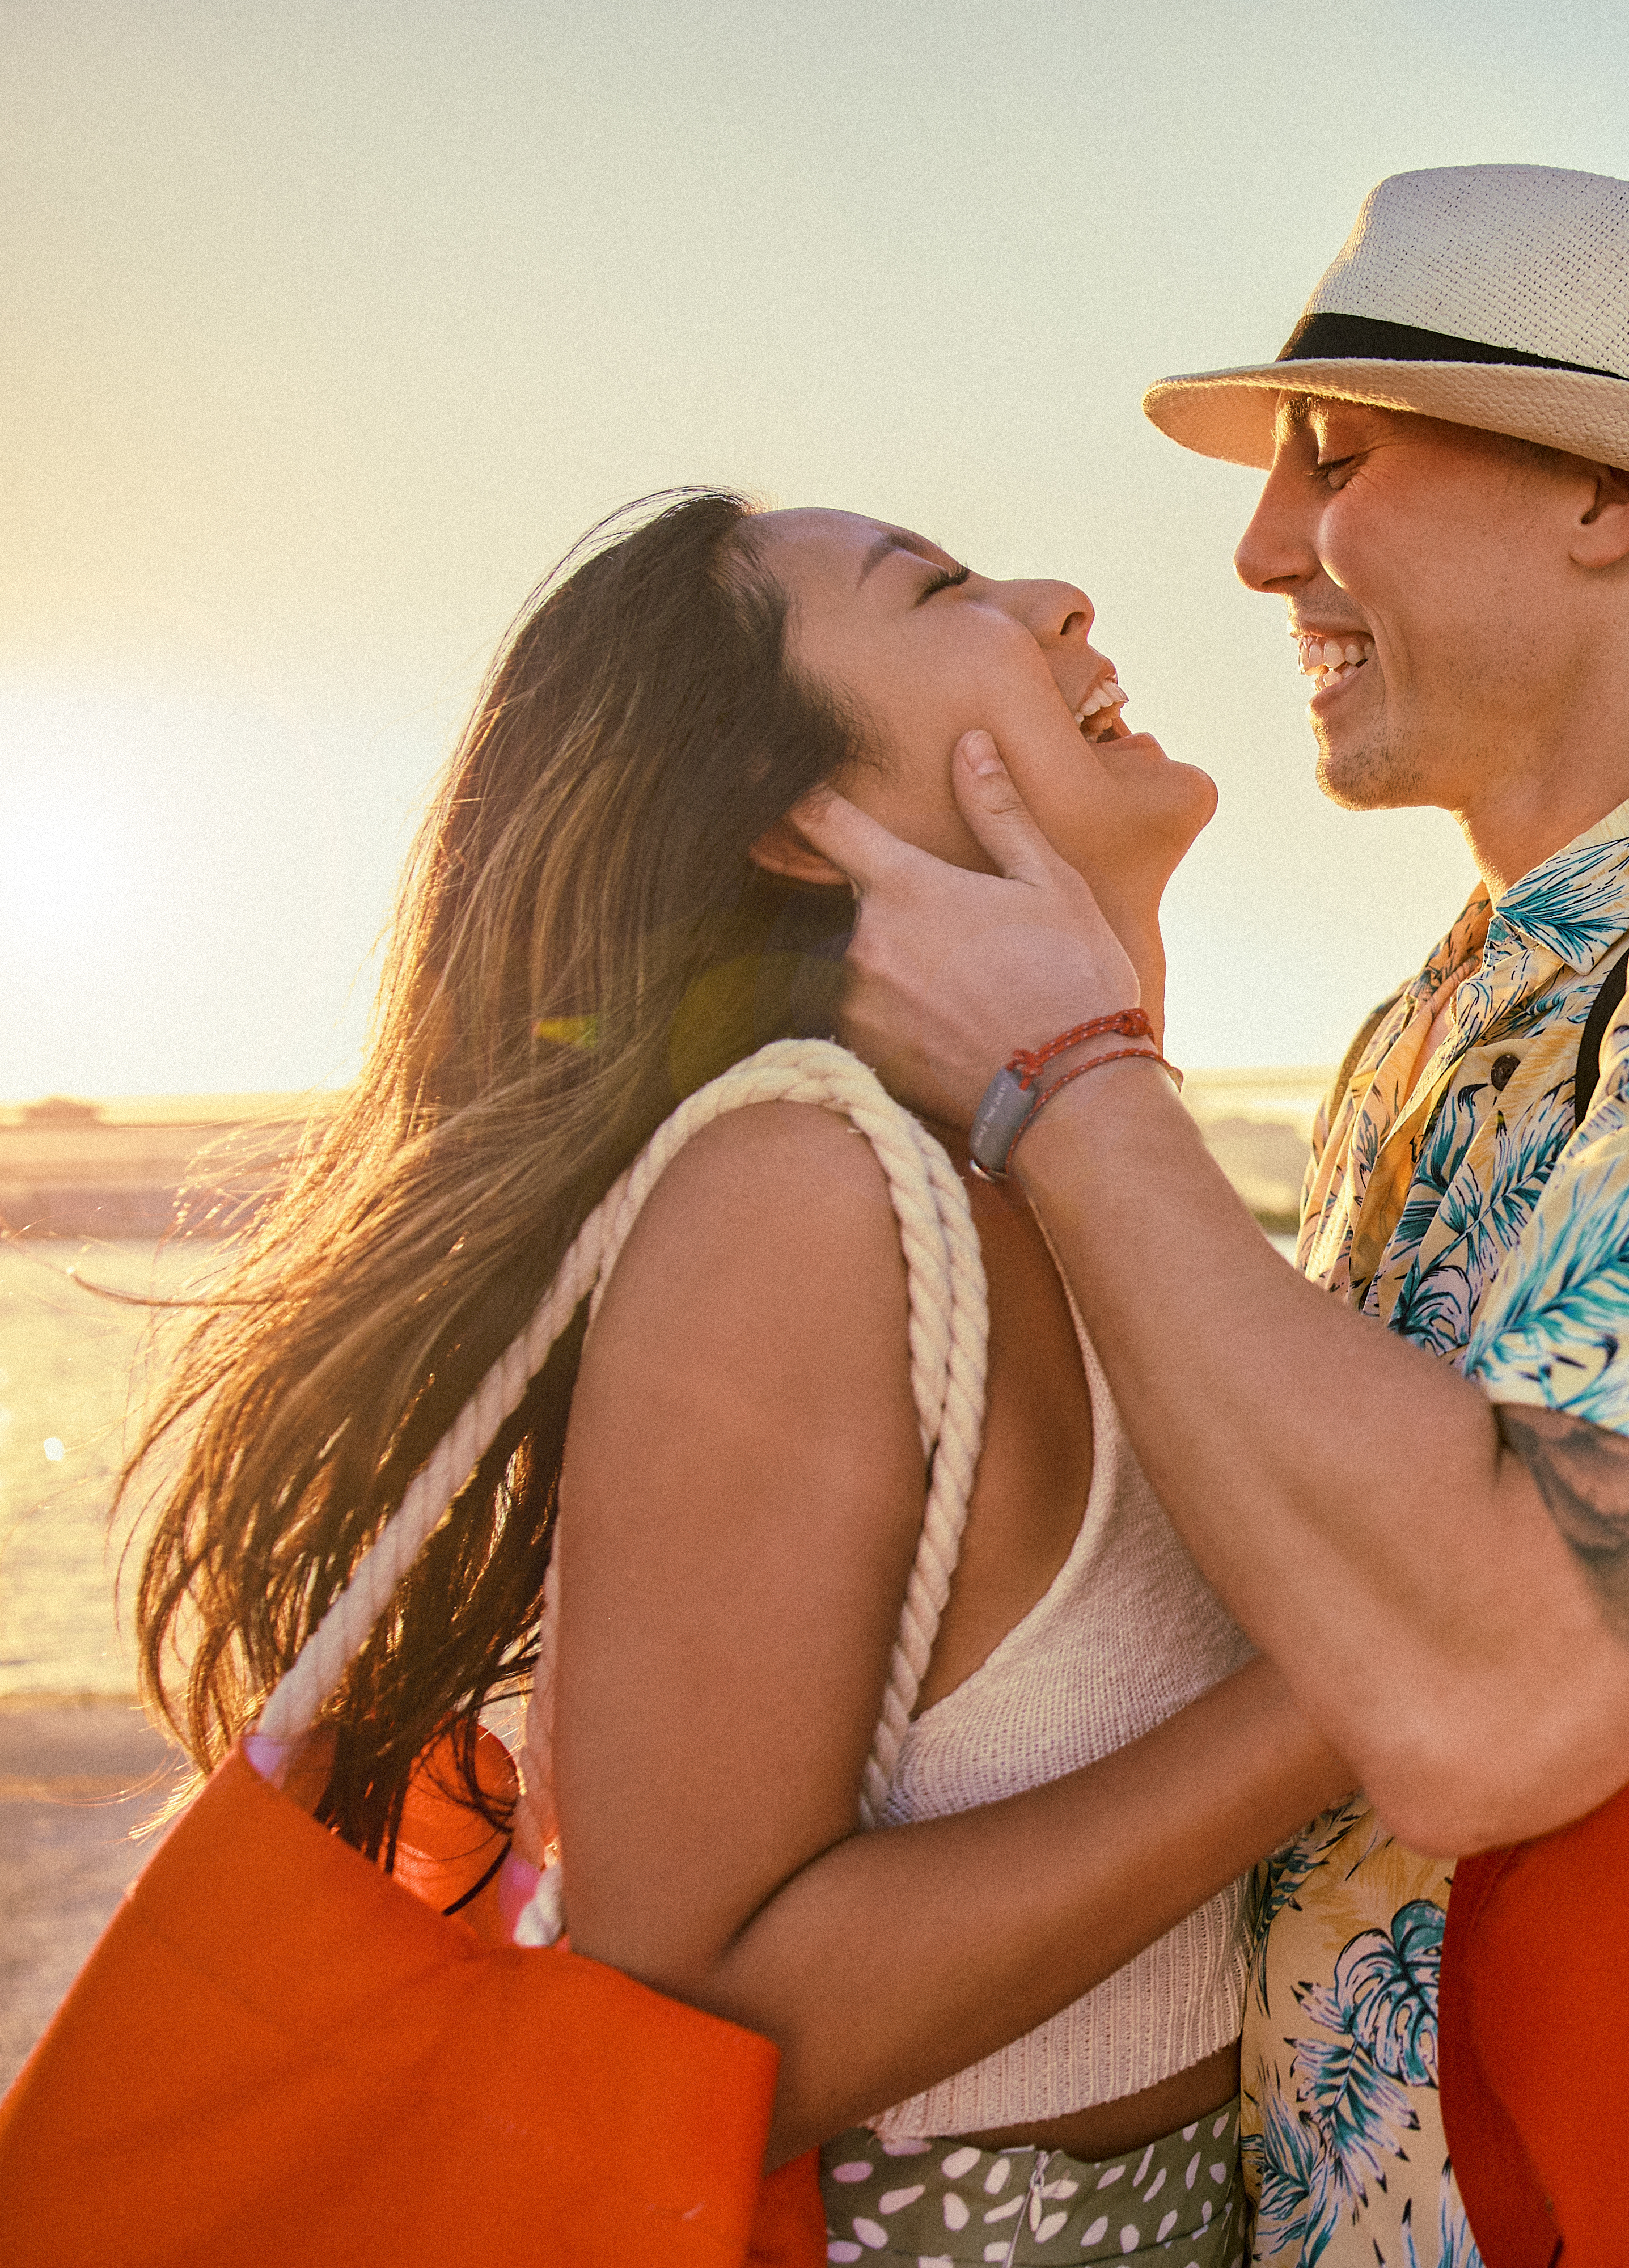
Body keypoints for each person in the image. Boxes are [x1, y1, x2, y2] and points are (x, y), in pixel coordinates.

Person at [799, 167, 1629, 2265]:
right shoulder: (1437, 1016)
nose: (1257, 545)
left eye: (1343, 457)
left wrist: (1073, 1079)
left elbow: (1512, 1696)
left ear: (1602, 489)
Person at [125, 489, 1349, 2266]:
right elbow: (688, 2021)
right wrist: (1354, 1698)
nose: (1063, 594)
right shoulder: (807, 1189)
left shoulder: (1052, 1181)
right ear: (801, 820)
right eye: (939, 588)